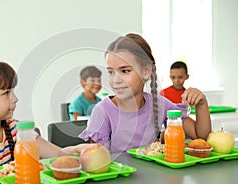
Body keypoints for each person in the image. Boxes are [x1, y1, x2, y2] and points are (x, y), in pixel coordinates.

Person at [79, 33, 211, 153]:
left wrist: (201, 104)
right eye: (111, 72)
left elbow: (200, 137)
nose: (116, 80)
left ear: (146, 71)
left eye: (125, 71)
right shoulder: (103, 112)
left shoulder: (160, 105)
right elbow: (98, 161)